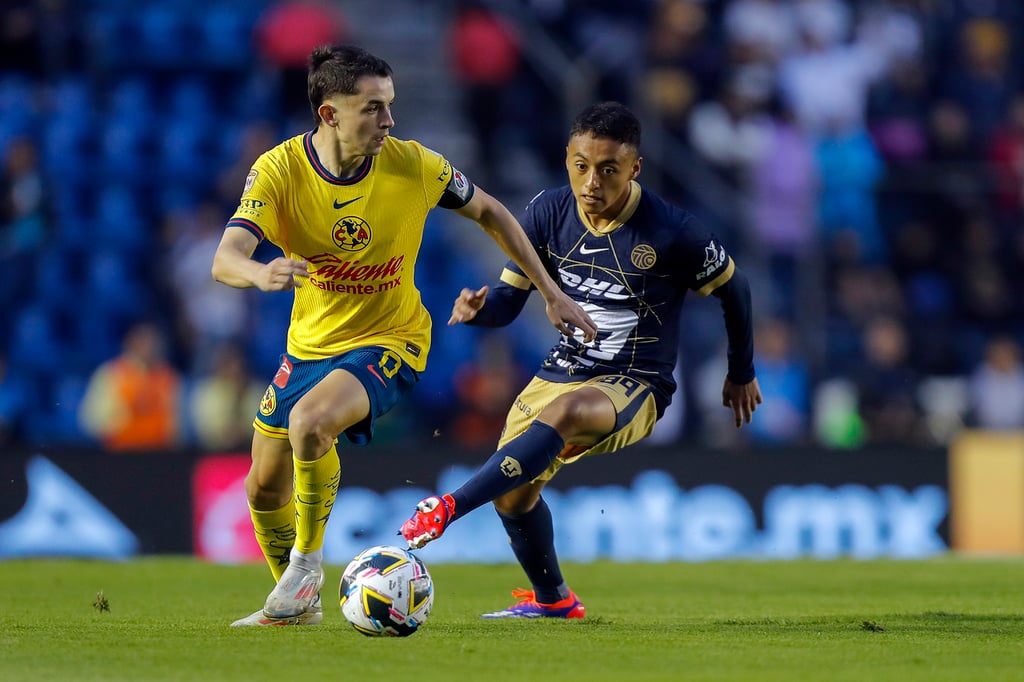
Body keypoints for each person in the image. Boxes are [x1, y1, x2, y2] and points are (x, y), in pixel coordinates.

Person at [211, 44, 596, 627]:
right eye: (373, 108)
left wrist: (549, 289)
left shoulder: (415, 164)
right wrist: (260, 272)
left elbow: (492, 211)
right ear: (329, 114)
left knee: (310, 424)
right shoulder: (280, 171)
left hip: (393, 341)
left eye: (390, 106)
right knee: (263, 490)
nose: (389, 121)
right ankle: (296, 607)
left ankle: (308, 563)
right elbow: (225, 257)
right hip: (309, 349)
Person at [400, 101, 762, 618]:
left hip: (635, 382)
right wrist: (479, 311)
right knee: (513, 497)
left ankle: (448, 506)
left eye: (608, 170)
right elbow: (508, 303)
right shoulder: (547, 212)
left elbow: (735, 288)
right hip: (560, 371)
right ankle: (555, 601)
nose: (591, 182)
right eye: (580, 165)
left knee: (566, 416)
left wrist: (741, 370)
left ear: (634, 168)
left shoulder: (672, 231)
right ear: (568, 158)